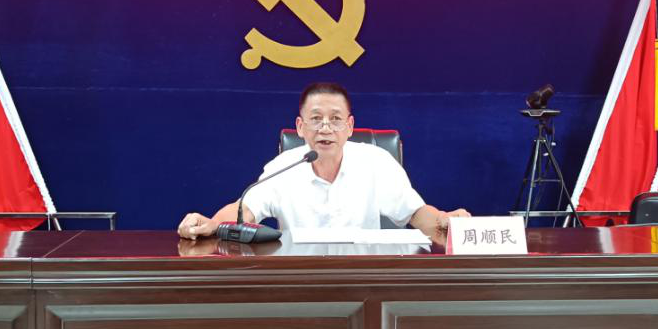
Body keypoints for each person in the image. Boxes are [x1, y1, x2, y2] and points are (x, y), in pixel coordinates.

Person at [178, 82, 470, 239]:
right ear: (300, 127)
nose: (326, 128)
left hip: (365, 279)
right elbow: (244, 211)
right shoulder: (283, 166)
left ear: (350, 126)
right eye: (316, 119)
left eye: (335, 119)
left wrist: (444, 221)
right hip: (298, 279)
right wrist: (212, 223)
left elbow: (416, 214)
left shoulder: (376, 162)